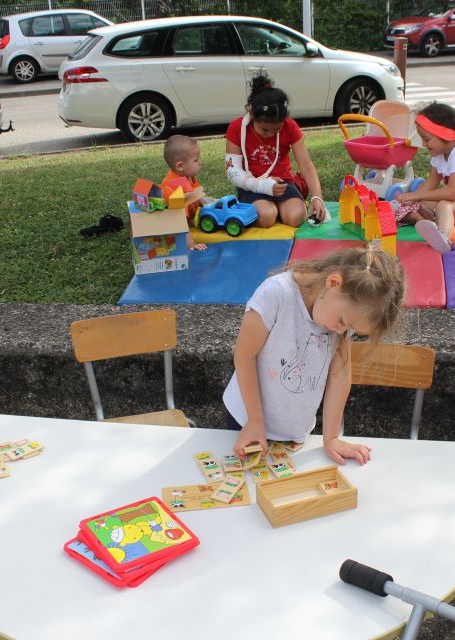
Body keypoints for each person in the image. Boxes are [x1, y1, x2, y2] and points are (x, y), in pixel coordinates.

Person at [223, 246, 406, 465]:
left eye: (351, 329)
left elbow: (340, 374)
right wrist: (253, 421)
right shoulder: (277, 293)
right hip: (245, 420)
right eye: (342, 321)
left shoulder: (340, 310)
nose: (341, 331)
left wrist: (331, 438)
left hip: (294, 432)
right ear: (333, 283)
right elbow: (245, 356)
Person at [224, 73, 326, 229]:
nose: (271, 134)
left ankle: (286, 204)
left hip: (283, 184)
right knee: (266, 216)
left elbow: (306, 165)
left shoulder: (290, 126)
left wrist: (317, 197)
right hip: (253, 185)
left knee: (295, 217)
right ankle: (273, 209)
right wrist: (262, 186)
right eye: (264, 130)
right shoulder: (238, 127)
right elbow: (232, 171)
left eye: (276, 129)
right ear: (251, 114)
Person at [393, 102, 455, 254]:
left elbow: (451, 193)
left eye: (427, 139)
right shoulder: (439, 154)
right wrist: (412, 199)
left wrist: (416, 194)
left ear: (444, 134)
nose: (424, 144)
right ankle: (423, 220)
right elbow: (431, 182)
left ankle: (443, 239)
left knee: (445, 205)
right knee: (418, 203)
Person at [159, 134, 208, 251]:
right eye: (196, 160)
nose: (199, 162)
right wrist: (191, 244)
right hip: (175, 219)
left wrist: (209, 206)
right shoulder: (175, 190)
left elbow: (197, 194)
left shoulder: (189, 176)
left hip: (188, 217)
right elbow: (179, 221)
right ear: (180, 166)